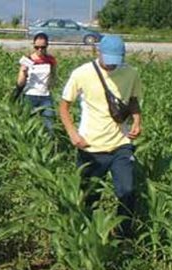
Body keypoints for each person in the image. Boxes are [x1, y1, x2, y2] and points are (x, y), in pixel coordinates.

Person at [59, 35, 142, 237]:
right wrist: (72, 133)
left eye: (117, 60)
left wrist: (137, 121)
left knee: (127, 192)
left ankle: (124, 237)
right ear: (98, 52)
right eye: (109, 60)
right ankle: (88, 238)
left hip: (121, 144)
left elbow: (132, 100)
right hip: (91, 147)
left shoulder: (131, 73)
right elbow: (64, 106)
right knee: (89, 196)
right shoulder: (82, 73)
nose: (112, 65)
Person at [16, 33, 57, 137]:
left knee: (50, 126)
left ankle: (48, 147)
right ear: (33, 45)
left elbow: (53, 76)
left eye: (42, 47)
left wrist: (51, 84)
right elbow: (19, 83)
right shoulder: (27, 60)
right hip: (30, 95)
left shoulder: (51, 60)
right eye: (36, 47)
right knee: (27, 127)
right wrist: (23, 72)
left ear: (47, 46)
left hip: (45, 96)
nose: (39, 50)